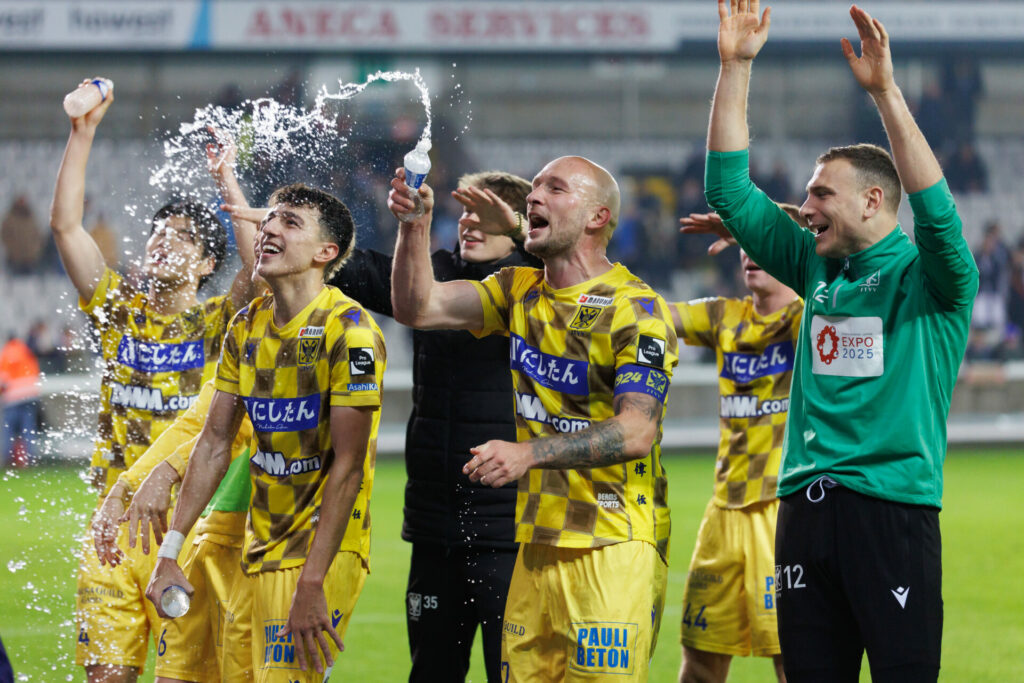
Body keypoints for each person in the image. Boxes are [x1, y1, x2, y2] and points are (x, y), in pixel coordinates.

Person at [696, 3, 978, 681]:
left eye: (821, 193)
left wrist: (883, 92)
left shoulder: (934, 280)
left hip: (891, 511)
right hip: (802, 513)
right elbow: (729, 190)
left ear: (874, 202)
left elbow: (937, 214)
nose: (807, 205)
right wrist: (735, 65)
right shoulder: (814, 266)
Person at [388, 155, 678, 682]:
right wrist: (415, 225)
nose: (535, 196)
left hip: (612, 543)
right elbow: (418, 307)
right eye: (535, 187)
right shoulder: (518, 289)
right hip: (536, 544)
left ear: (597, 217)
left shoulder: (636, 309)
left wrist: (529, 453)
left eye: (556, 188)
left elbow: (637, 430)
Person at [50, 80, 258, 683]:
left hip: (188, 529)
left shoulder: (220, 321)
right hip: (114, 525)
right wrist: (81, 132)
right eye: (158, 231)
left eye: (184, 237)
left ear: (204, 265)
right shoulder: (119, 310)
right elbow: (67, 228)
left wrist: (227, 180)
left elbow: (260, 268)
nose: (165, 239)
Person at [146, 183, 386, 683]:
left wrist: (314, 582)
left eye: (291, 222)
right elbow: (213, 445)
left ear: (327, 253)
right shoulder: (246, 326)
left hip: (320, 550)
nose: (270, 228)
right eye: (270, 219)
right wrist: (170, 551)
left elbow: (348, 466)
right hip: (257, 546)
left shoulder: (352, 332)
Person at [331, 171, 540, 682]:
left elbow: (562, 261)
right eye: (464, 213)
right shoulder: (428, 275)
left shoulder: (541, 285)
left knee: (512, 674)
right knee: (430, 673)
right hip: (434, 523)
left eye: (482, 214)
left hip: (511, 528)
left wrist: (518, 230)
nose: (468, 222)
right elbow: (339, 266)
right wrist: (280, 227)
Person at [673, 206, 805, 683]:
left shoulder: (809, 319)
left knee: (796, 660)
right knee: (701, 664)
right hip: (723, 512)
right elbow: (647, 315)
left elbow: (836, 270)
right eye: (746, 244)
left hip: (784, 511)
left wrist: (776, 230)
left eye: (764, 244)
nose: (750, 254)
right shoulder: (726, 317)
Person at [0, 335, 41, 466]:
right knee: (28, 429)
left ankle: (7, 459)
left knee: (9, 430)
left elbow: (3, 379)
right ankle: (30, 459)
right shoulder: (26, 351)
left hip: (13, 397)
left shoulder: (6, 353)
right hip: (30, 395)